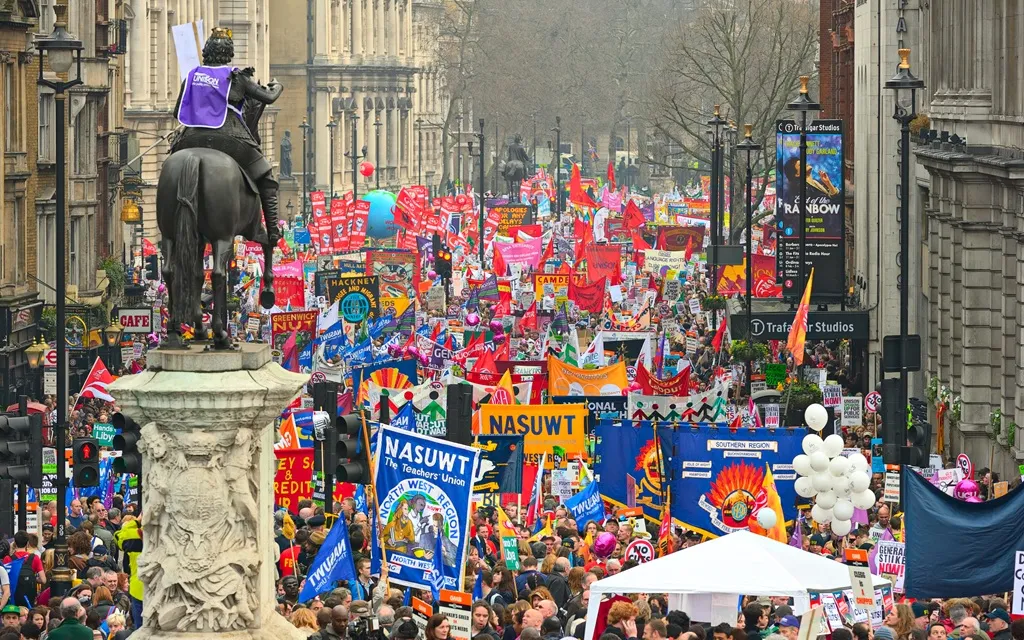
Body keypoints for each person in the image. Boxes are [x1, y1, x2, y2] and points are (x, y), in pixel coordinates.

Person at [170, 27, 284, 246]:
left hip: (190, 138)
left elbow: (177, 112)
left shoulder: (192, 76)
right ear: (229, 53)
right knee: (266, 177)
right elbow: (268, 98)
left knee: (172, 169)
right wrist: (277, 85)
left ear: (206, 52)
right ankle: (272, 231)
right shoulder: (236, 77)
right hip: (229, 138)